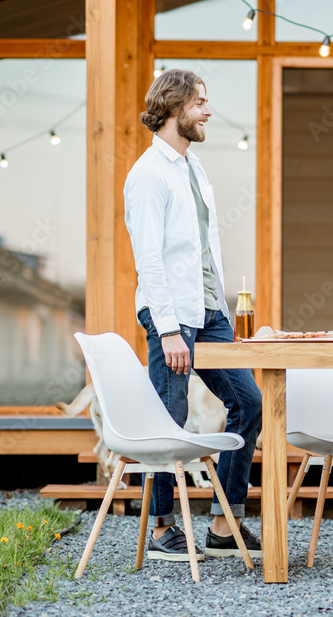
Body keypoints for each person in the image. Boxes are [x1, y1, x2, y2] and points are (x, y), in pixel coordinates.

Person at [124, 69, 263, 562]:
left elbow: (201, 249)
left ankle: (224, 525)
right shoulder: (148, 174)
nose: (207, 111)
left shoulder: (193, 168)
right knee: (171, 418)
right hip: (173, 318)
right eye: (200, 103)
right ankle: (162, 529)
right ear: (174, 108)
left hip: (209, 312)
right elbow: (151, 261)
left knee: (249, 402)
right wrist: (167, 331)